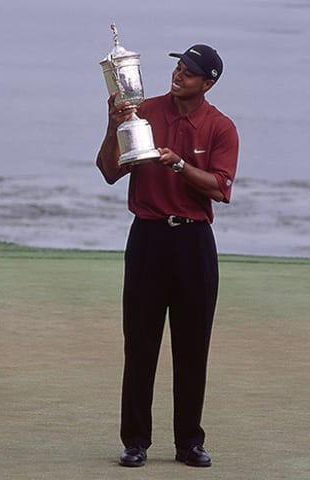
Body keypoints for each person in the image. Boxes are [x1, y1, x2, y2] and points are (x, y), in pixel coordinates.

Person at [96, 43, 239, 468]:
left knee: (193, 347)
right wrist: (112, 124)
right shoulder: (144, 112)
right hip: (148, 239)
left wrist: (178, 165)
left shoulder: (220, 127)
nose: (178, 75)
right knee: (140, 345)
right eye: (178, 68)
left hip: (194, 243)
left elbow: (219, 188)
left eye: (189, 72)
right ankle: (135, 441)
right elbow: (108, 171)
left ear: (207, 82)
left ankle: (189, 443)